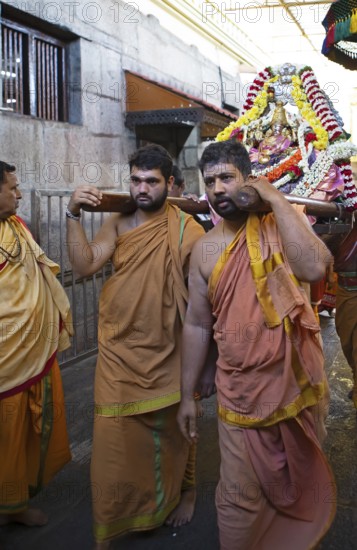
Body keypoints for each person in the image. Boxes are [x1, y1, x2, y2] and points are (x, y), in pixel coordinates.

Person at [177, 140, 337, 550]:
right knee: (238, 500)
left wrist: (275, 198)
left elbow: (314, 266)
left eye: (227, 178)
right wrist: (187, 396)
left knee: (298, 484)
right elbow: (196, 324)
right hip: (239, 392)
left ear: (247, 180)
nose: (216, 189)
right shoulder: (205, 250)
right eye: (209, 181)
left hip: (293, 384)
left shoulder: (281, 225)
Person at [66, 144, 206, 549]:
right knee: (113, 439)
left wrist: (209, 362)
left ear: (171, 184)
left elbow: (202, 302)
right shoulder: (119, 220)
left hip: (168, 349)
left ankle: (187, 493)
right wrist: (73, 214)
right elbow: (87, 263)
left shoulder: (188, 230)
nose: (142, 188)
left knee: (177, 433)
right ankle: (112, 520)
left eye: (151, 181)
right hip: (118, 350)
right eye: (135, 180)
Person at [0, 162, 73, 527]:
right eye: (12, 187)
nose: (18, 193)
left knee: (27, 431)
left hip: (33, 351)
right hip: (5, 357)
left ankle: (14, 506)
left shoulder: (17, 227)